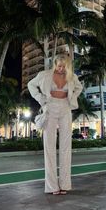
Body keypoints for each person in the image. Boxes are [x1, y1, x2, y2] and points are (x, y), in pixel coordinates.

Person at [28, 54, 83, 195]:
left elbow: (79, 88)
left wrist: (72, 98)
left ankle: (65, 184)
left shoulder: (71, 77)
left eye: (64, 66)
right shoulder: (44, 75)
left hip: (65, 108)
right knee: (49, 147)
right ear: (55, 64)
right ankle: (52, 187)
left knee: (66, 147)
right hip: (50, 108)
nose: (61, 69)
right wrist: (41, 98)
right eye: (59, 66)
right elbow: (31, 85)